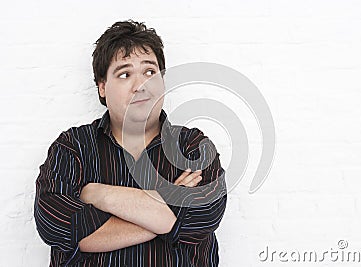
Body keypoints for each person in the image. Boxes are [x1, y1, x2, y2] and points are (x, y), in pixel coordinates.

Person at [34, 20, 227, 266]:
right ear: (102, 87)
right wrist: (167, 212)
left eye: (150, 72)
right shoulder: (72, 148)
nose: (141, 86)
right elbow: (60, 227)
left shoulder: (193, 147)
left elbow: (201, 217)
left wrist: (100, 194)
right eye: (125, 74)